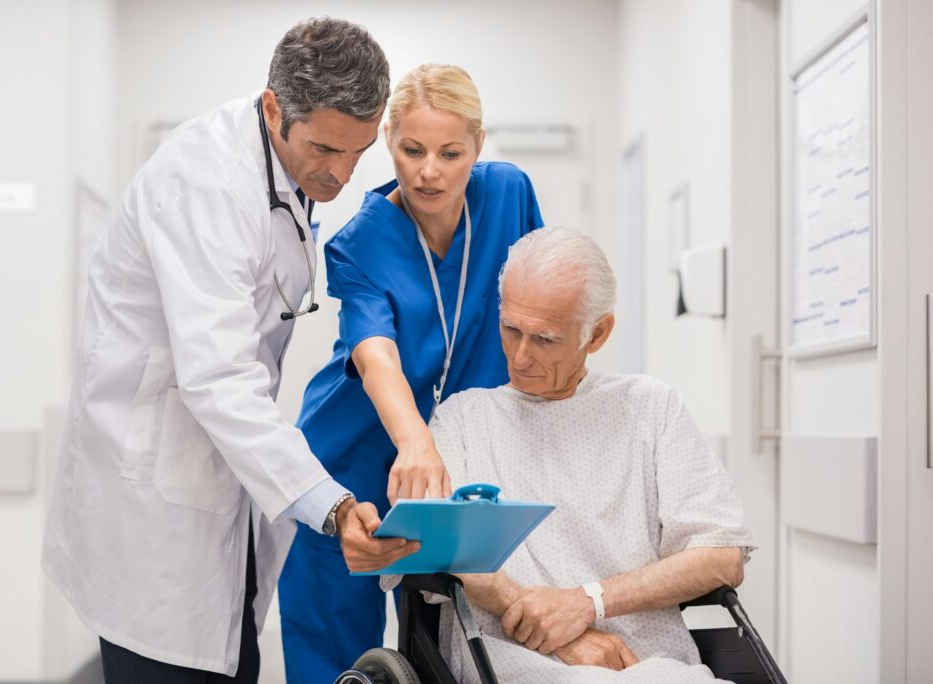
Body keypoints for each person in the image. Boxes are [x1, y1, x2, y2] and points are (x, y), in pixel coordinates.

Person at [42, 18, 418, 684]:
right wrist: (331, 507)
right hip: (155, 504)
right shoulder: (206, 185)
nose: (339, 173)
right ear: (275, 107)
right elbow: (218, 375)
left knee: (231, 658)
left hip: (222, 490)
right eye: (325, 149)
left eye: (359, 153)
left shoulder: (282, 171)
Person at [278, 64, 544, 682]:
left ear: (477, 145)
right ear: (388, 141)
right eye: (412, 149)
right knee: (336, 661)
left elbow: (537, 305)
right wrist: (415, 440)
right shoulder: (361, 241)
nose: (430, 171)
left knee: (443, 646)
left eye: (451, 153)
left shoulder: (508, 196)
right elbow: (374, 350)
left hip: (453, 463)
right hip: (353, 458)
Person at [417, 226, 755, 682]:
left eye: (545, 339)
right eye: (510, 328)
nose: (518, 357)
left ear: (597, 334)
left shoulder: (651, 408)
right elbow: (443, 550)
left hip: (650, 660)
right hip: (510, 657)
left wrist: (586, 602)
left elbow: (720, 557)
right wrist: (565, 635)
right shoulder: (462, 419)